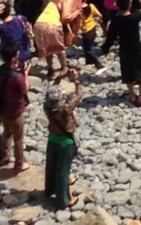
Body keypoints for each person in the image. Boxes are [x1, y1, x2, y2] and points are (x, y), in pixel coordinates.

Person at [102, 0, 141, 106]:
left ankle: (132, 96)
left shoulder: (116, 20)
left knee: (127, 72)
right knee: (140, 71)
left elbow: (111, 36)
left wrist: (105, 48)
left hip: (124, 49)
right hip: (136, 48)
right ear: (129, 5)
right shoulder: (134, 18)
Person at [43, 69, 82, 207]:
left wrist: (60, 77)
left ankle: (50, 189)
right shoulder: (66, 108)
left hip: (52, 138)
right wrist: (76, 80)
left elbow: (52, 91)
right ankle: (64, 200)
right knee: (63, 170)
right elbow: (79, 95)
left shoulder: (47, 107)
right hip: (66, 142)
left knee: (51, 165)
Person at [0, 44, 28, 172]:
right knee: (18, 139)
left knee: (6, 132)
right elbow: (24, 90)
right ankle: (19, 164)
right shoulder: (17, 77)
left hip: (3, 108)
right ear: (14, 58)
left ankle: (5, 156)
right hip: (16, 111)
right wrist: (25, 73)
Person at [32, 0, 69, 78]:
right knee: (60, 49)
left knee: (47, 48)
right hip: (52, 25)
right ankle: (64, 68)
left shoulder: (48, 7)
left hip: (38, 25)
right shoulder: (62, 6)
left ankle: (50, 69)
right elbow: (65, 18)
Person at [0, 3, 32, 70]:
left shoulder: (1, 27)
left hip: (13, 58)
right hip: (26, 52)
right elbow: (28, 27)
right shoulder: (21, 18)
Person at [79, 0, 105, 72]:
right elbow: (100, 15)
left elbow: (80, 23)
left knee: (88, 50)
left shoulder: (79, 11)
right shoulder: (91, 6)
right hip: (93, 29)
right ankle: (89, 61)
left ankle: (99, 65)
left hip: (86, 32)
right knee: (87, 47)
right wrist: (100, 21)